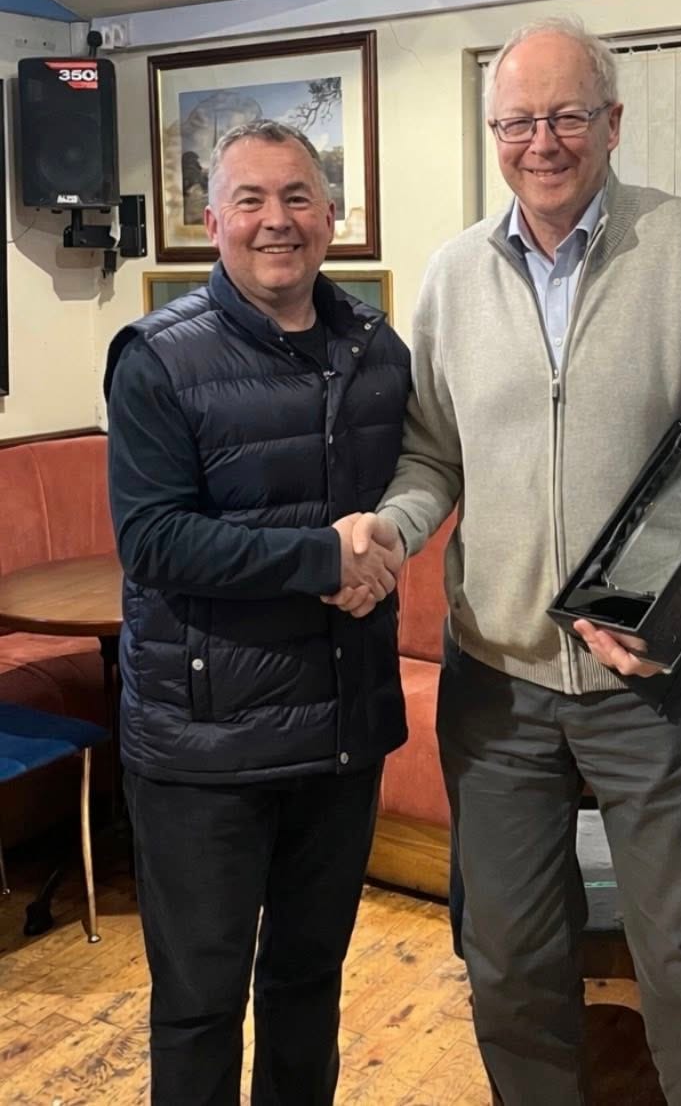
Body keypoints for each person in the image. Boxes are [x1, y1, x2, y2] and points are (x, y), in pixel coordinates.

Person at [329, 18, 681, 1105]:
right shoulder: (453, 275)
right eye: (517, 121)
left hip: (657, 685)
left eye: (566, 115)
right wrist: (392, 528)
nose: (542, 142)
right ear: (493, 135)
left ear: (611, 122)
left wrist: (667, 622)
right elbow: (432, 454)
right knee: (509, 961)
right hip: (499, 683)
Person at [105, 118, 409, 1106]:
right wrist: (321, 558)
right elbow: (154, 540)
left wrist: (382, 549)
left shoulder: (375, 345)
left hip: (340, 729)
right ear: (212, 222)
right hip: (205, 748)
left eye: (297, 197)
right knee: (199, 1006)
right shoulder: (156, 357)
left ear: (332, 216)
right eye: (251, 199)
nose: (276, 220)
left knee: (307, 987)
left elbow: (412, 480)